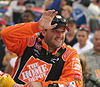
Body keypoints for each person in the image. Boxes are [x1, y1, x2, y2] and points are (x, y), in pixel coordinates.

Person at [1, 10, 83, 87]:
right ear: (44, 32)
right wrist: (36, 26)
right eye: (55, 31)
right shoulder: (31, 41)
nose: (60, 36)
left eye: (62, 31)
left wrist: (42, 85)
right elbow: (6, 34)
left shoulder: (69, 54)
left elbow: (75, 83)